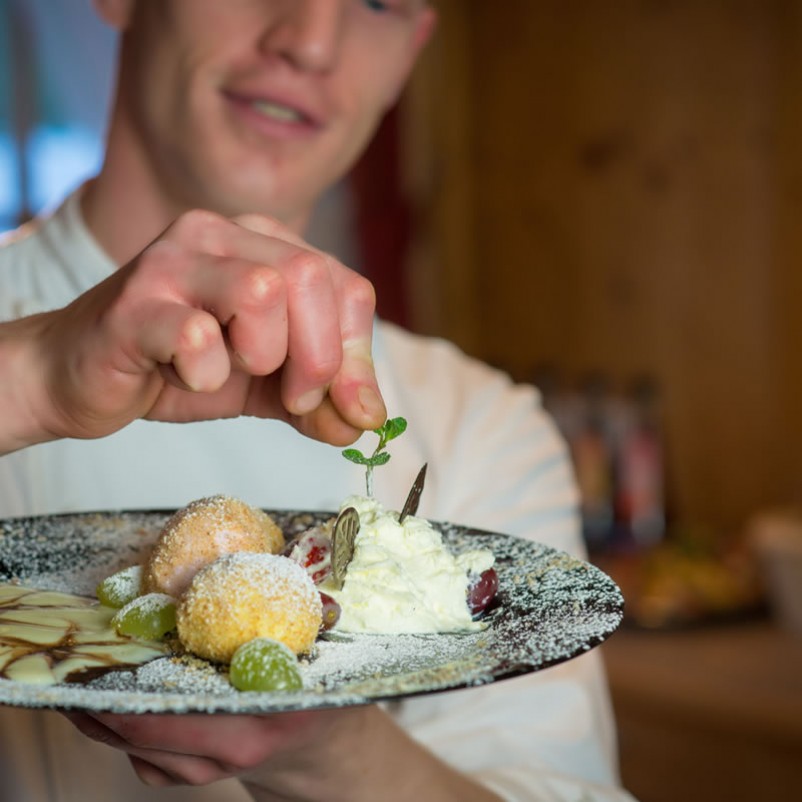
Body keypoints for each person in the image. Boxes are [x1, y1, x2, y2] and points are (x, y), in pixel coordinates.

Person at [0, 1, 636, 800]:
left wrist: (327, 750)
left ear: (410, 50)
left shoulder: (480, 422)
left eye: (378, 1)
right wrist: (29, 379)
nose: (309, 39)